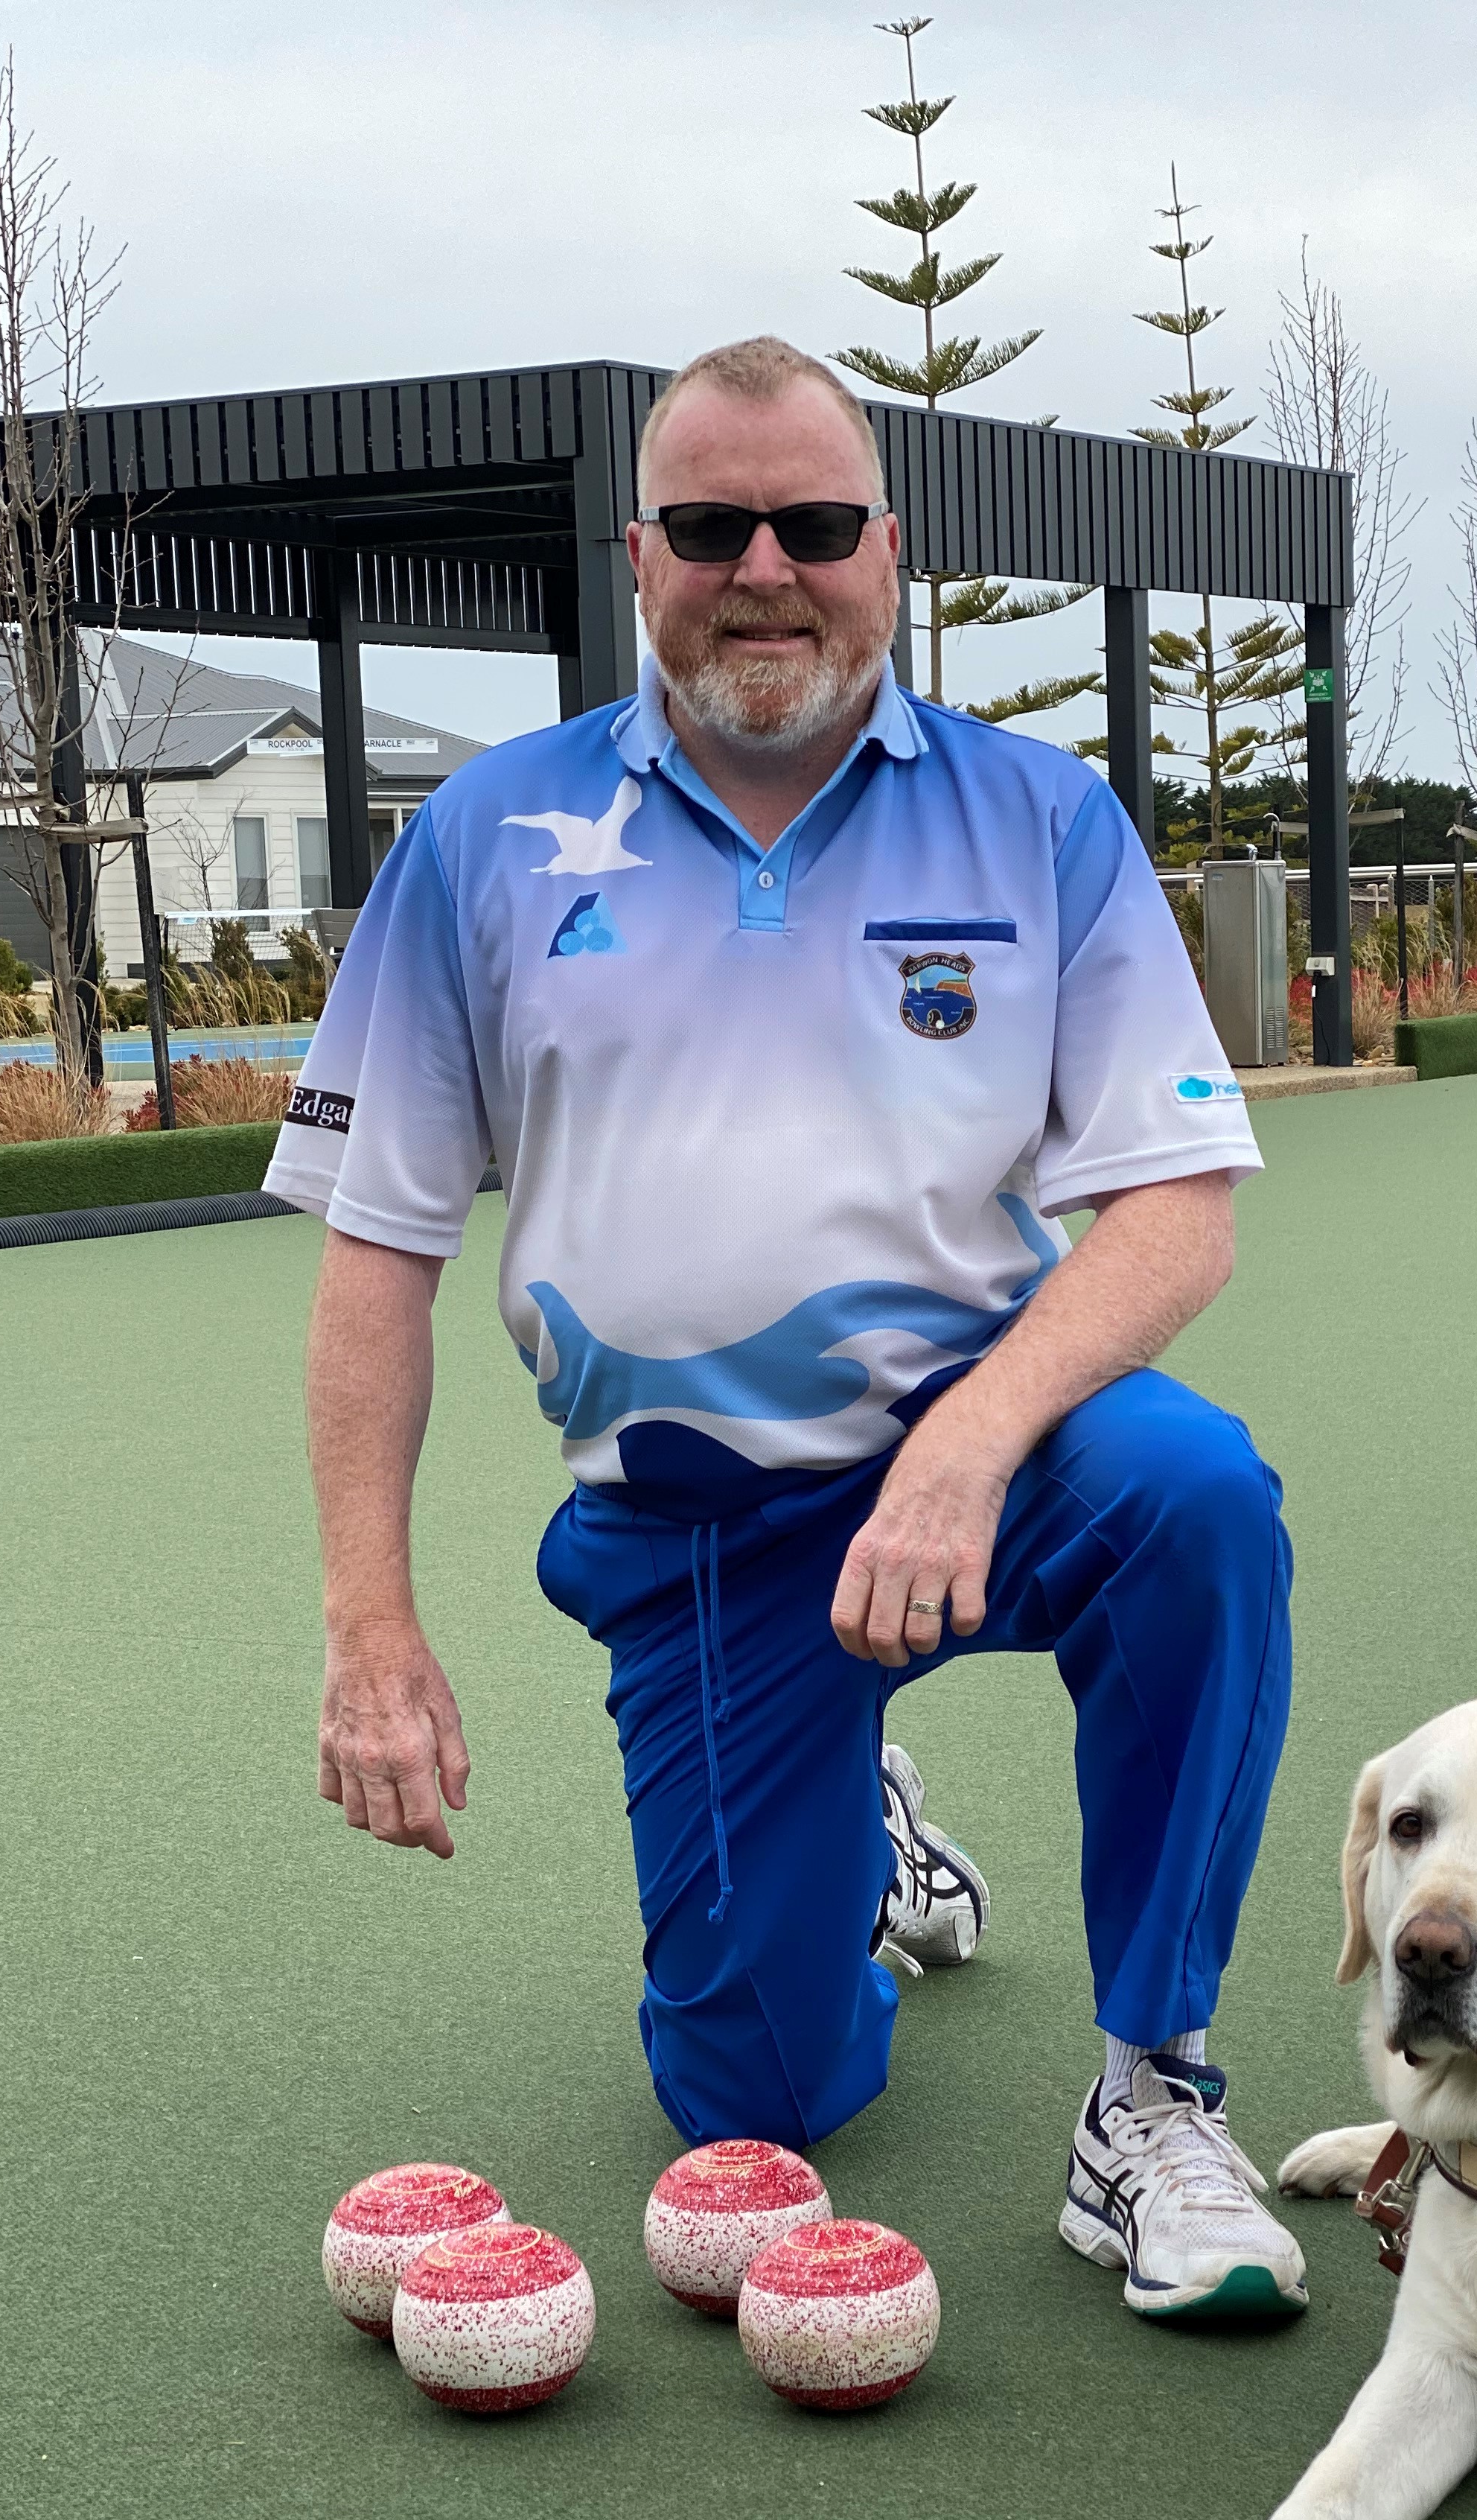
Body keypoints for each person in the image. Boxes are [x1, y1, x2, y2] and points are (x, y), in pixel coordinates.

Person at [266, 335, 1307, 2322]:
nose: (767, 567)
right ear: (636, 552)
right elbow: (375, 1253)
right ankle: (860, 1835)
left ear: (888, 552)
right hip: (704, 1533)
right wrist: (370, 1633)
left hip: (987, 1468)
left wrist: (967, 1442)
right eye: (716, 527)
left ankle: (1155, 2091)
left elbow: (1175, 1214)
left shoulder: (1041, 820)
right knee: (757, 2092)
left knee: (1196, 1497)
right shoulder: (485, 838)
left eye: (815, 526)